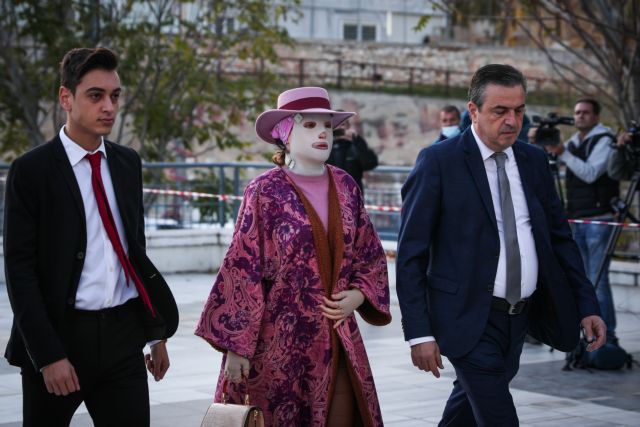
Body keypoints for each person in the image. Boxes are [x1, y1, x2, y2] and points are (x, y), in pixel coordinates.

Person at [396, 64, 606, 426]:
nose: (512, 121)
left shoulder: (534, 160)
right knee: (499, 417)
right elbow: (411, 254)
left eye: (519, 110)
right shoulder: (438, 162)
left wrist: (587, 304)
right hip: (465, 316)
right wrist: (419, 332)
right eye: (500, 111)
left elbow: (560, 240)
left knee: (465, 410)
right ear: (474, 110)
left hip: (520, 317)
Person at [3, 47, 179, 426]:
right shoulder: (31, 171)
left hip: (123, 337)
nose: (109, 107)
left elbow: (134, 253)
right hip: (61, 335)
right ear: (66, 98)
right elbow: (19, 271)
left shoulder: (127, 162)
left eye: (115, 96)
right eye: (95, 95)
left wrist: (154, 335)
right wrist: (48, 355)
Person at [195, 87, 391, 427]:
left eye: (327, 126)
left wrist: (358, 295)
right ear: (284, 133)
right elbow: (242, 265)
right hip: (277, 344)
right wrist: (236, 346)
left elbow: (369, 253)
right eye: (310, 125)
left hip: (338, 335)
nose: (323, 133)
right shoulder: (264, 191)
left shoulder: (346, 186)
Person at [545, 99, 618, 342]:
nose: (580, 116)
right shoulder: (574, 142)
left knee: (598, 280)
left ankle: (608, 337)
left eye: (585, 112)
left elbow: (590, 173)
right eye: (577, 112)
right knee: (583, 281)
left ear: (596, 116)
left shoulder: (604, 140)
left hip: (599, 219)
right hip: (576, 218)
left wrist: (563, 153)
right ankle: (589, 333)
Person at [326, 116, 378, 193]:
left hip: (353, 193)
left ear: (348, 127)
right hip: (331, 193)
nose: (339, 128)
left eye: (342, 124)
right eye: (336, 125)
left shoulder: (356, 144)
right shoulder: (326, 145)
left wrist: (357, 139)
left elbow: (370, 164)